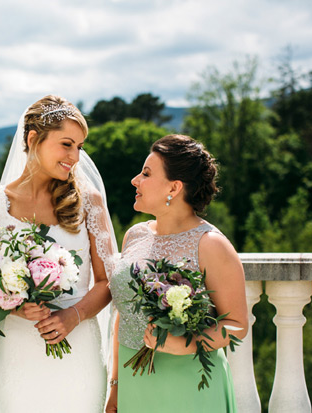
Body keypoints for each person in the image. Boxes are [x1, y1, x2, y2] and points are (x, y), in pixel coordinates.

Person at [0, 95, 118, 413]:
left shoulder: (89, 201)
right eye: (67, 144)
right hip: (17, 350)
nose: (75, 157)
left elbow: (107, 281)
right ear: (33, 139)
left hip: (77, 347)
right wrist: (18, 309)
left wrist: (73, 316)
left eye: (80, 147)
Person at [106, 134, 248, 412]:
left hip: (187, 384)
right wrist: (115, 384)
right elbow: (122, 314)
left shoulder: (211, 245)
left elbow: (236, 325)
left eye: (146, 173)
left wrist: (188, 343)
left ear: (174, 187)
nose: (136, 180)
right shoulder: (135, 236)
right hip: (134, 382)